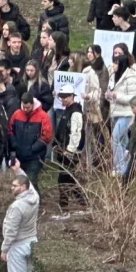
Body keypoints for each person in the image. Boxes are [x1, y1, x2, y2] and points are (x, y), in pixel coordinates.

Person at [2, 172, 39, 272]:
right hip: (32, 241)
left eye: (15, 186)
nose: (12, 188)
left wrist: (4, 249)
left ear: (23, 187)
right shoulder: (35, 198)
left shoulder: (17, 207)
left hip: (18, 245)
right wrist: (19, 170)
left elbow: (11, 231)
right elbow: (33, 187)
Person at [53, 86, 85, 218]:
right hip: (64, 151)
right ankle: (83, 204)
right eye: (61, 97)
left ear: (72, 96)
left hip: (70, 153)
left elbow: (76, 133)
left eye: (65, 97)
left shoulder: (75, 112)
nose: (63, 99)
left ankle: (64, 207)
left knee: (63, 180)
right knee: (70, 180)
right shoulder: (68, 110)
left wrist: (70, 151)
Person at [8, 94, 53, 189]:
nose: (25, 109)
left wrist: (32, 149)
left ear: (33, 104)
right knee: (21, 183)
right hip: (20, 155)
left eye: (27, 107)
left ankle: (36, 201)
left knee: (31, 181)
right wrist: (14, 144)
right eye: (23, 107)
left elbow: (47, 136)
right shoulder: (16, 114)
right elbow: (10, 130)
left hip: (35, 156)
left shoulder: (43, 116)